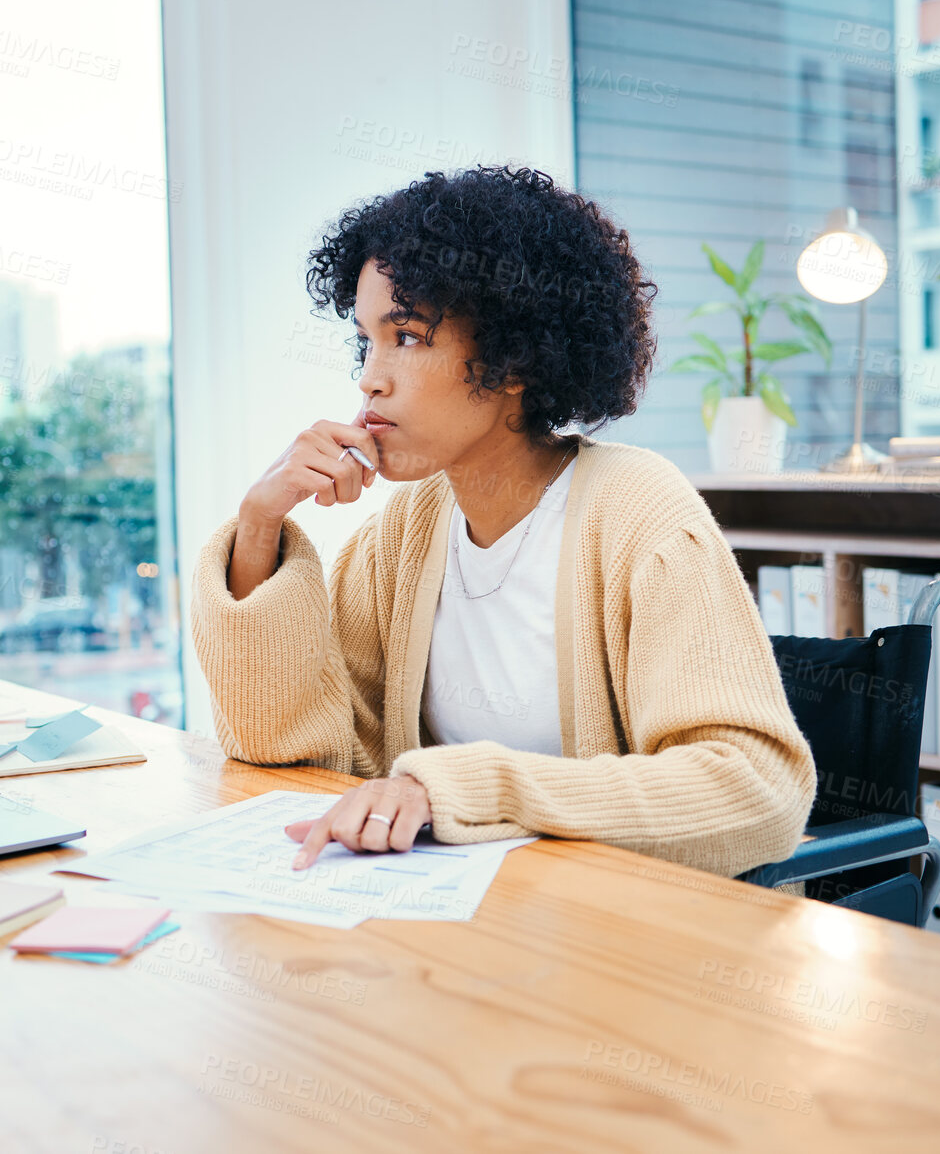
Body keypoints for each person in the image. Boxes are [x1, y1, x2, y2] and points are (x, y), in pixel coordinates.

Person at [191, 166, 814, 878]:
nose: (370, 376)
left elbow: (756, 792)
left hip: (625, 938)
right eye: (367, 339)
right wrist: (258, 524)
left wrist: (460, 789)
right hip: (474, 922)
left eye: (408, 335)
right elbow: (311, 762)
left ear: (512, 358)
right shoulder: (404, 532)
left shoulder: (639, 512)